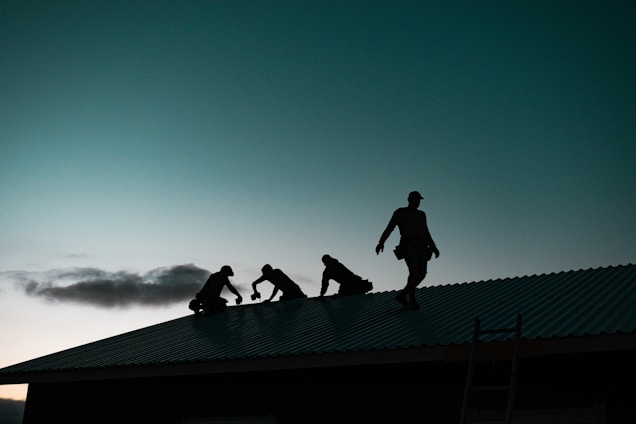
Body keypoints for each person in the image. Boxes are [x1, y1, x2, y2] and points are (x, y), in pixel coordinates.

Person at [375, 190, 440, 310]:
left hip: (422, 246)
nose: (418, 202)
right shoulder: (400, 212)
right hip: (408, 244)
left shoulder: (421, 214)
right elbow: (390, 228)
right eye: (416, 199)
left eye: (419, 200)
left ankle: (404, 294)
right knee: (414, 271)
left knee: (422, 274)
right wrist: (381, 242)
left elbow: (426, 232)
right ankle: (412, 298)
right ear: (409, 199)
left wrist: (434, 247)